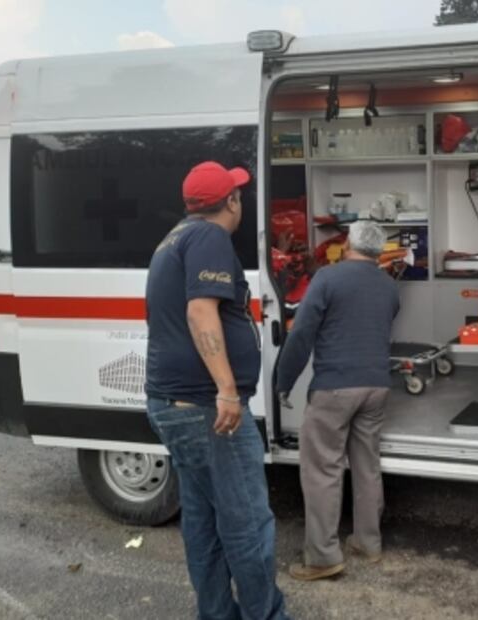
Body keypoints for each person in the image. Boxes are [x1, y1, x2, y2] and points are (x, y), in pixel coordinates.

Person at [145, 161, 289, 620]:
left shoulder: (174, 238)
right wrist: (226, 389)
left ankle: (216, 613)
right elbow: (200, 312)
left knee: (204, 521)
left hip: (178, 405)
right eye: (238, 194)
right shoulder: (209, 237)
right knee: (247, 522)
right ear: (231, 200)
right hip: (207, 409)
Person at [276, 221, 400, 581]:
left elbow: (302, 334)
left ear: (347, 245)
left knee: (322, 469)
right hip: (377, 386)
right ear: (379, 251)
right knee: (367, 465)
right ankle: (368, 542)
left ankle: (322, 557)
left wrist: (284, 381)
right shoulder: (389, 286)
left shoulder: (327, 278)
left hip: (334, 388)